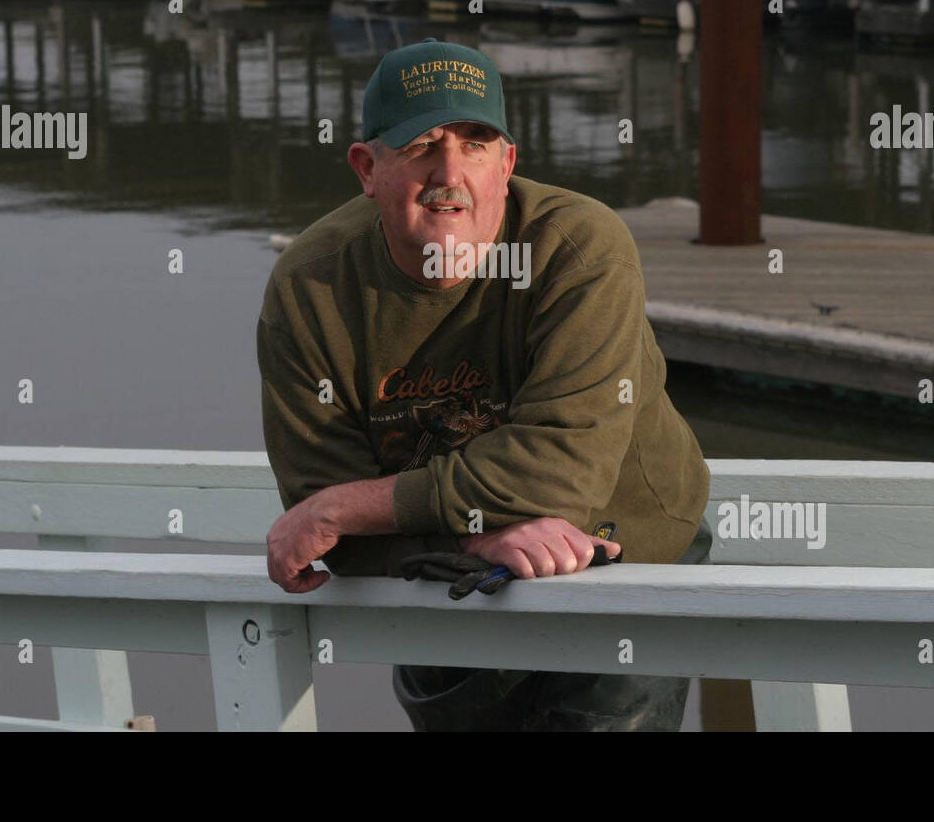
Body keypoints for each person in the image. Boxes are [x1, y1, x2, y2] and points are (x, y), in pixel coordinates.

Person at [258, 37, 712, 731]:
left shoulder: (580, 248)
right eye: (420, 146)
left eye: (474, 143)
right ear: (366, 167)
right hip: (442, 571)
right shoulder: (310, 285)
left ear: (507, 164)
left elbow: (564, 471)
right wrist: (471, 540)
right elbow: (323, 518)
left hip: (622, 552)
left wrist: (351, 507)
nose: (450, 173)